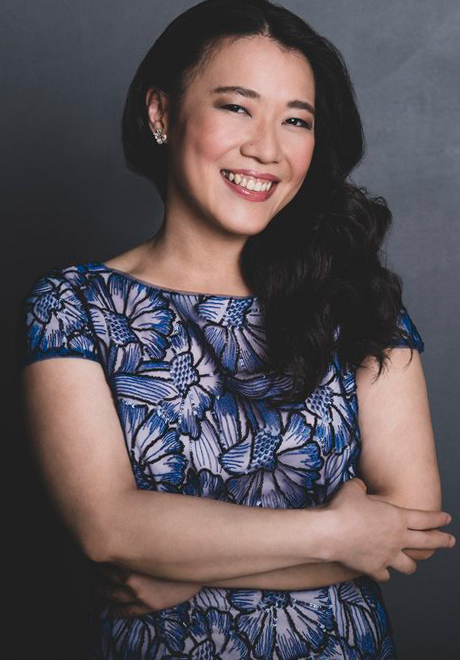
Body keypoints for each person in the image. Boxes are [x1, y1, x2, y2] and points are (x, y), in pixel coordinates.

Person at [16, 0, 456, 658]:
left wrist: (185, 571)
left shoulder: (357, 299)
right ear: (161, 113)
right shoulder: (73, 304)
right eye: (236, 107)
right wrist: (336, 536)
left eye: (296, 120)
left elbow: (408, 525)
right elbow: (108, 526)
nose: (267, 148)